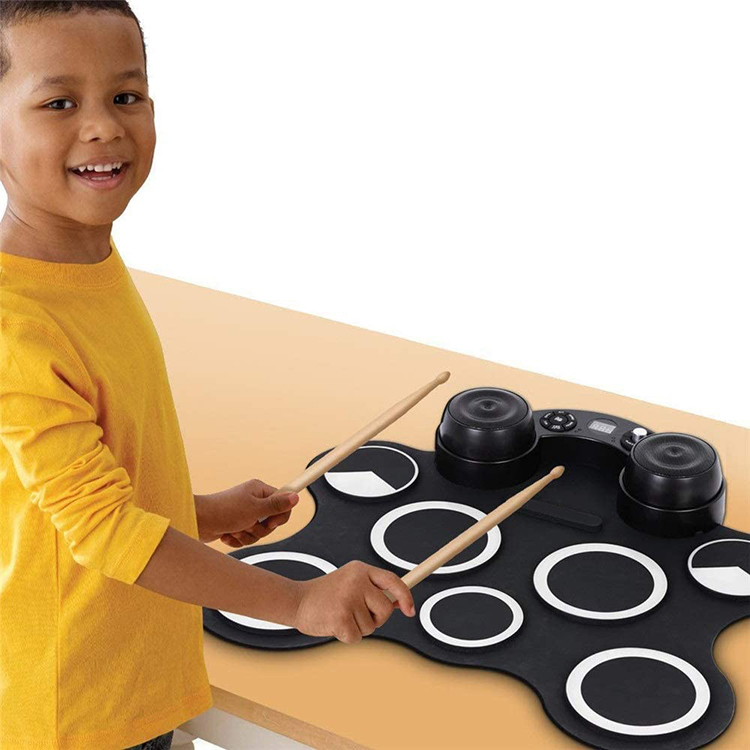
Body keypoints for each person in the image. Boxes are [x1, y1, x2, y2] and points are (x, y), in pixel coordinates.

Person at [0, 3, 416, 748]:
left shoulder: (84, 264)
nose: (102, 127)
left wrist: (201, 512)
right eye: (59, 103)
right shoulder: (15, 328)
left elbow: (66, 498)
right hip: (79, 712)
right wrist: (298, 603)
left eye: (125, 95)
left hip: (132, 678)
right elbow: (102, 530)